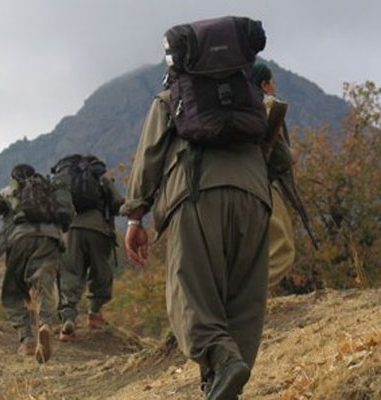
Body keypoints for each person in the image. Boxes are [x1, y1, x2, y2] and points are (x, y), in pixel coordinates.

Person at [122, 17, 271, 399]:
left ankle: (222, 361)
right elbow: (281, 155)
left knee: (189, 293)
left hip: (197, 194)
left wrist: (136, 216)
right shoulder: (252, 94)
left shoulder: (173, 97)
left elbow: (149, 156)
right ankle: (223, 386)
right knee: (243, 300)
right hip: (255, 199)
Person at [0, 164, 74, 363]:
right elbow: (68, 215)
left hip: (20, 239)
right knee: (44, 285)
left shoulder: (9, 191)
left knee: (13, 291)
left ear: (13, 177)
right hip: (50, 239)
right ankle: (45, 324)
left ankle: (27, 339)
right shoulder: (49, 190)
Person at [54, 155, 124, 341]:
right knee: (100, 271)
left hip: (70, 231)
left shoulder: (67, 180)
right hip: (98, 229)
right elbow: (117, 203)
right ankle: (95, 314)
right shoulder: (99, 175)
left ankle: (67, 321)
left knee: (70, 274)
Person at [252, 63, 297, 290]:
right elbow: (281, 158)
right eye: (272, 81)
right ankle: (249, 298)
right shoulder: (267, 106)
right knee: (282, 248)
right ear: (264, 84)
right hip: (260, 183)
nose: (274, 86)